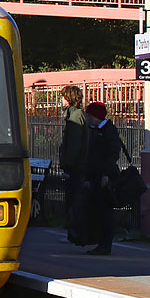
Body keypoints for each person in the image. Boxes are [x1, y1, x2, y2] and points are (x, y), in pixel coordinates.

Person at [82, 101, 123, 255]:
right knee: (98, 211)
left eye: (90, 115)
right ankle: (100, 243)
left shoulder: (107, 131)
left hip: (104, 177)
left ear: (96, 116)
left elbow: (112, 153)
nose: (87, 117)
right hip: (95, 176)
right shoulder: (95, 130)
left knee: (105, 212)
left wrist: (106, 174)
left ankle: (105, 245)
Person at [58, 85, 90, 245]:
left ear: (69, 98)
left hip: (76, 167)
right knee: (73, 199)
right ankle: (73, 231)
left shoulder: (75, 117)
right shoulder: (73, 114)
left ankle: (74, 232)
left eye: (64, 97)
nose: (61, 100)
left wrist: (68, 164)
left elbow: (75, 144)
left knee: (74, 199)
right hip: (76, 165)